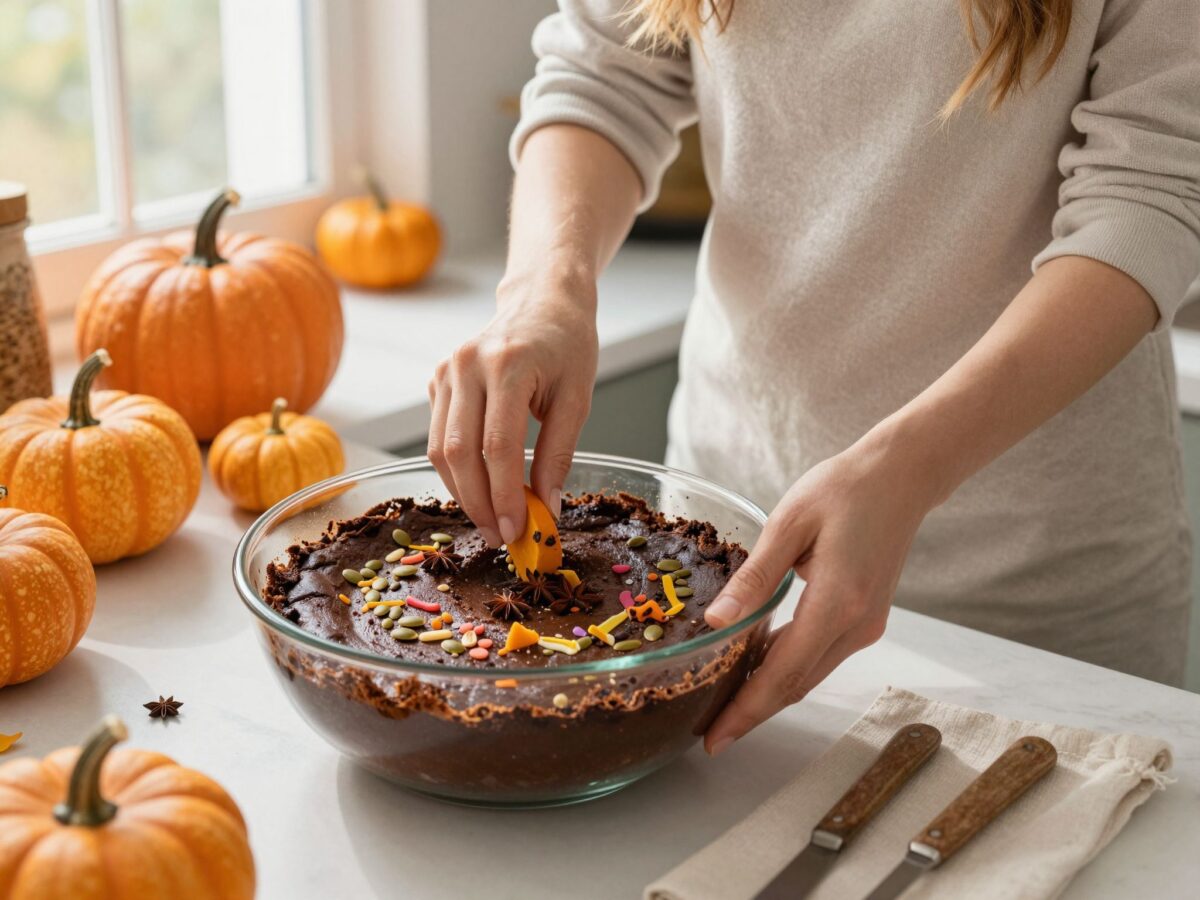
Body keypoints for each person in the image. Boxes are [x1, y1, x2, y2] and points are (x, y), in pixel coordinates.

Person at [426, 0, 1200, 755]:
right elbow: (603, 76)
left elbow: (1151, 194)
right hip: (724, 547)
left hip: (1033, 583)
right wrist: (544, 293)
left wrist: (913, 465)